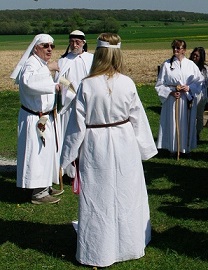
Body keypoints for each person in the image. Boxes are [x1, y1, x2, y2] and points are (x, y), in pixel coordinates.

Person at [60, 33, 158, 267]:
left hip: (97, 146)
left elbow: (76, 127)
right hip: (123, 144)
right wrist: (145, 148)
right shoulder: (127, 83)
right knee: (121, 194)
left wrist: (67, 156)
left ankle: (105, 247)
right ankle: (117, 246)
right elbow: (138, 120)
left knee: (101, 196)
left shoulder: (87, 84)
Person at [10, 33, 63, 204]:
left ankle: (44, 185)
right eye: (45, 46)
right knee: (37, 154)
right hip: (34, 118)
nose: (49, 49)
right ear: (36, 48)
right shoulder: (31, 64)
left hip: (45, 117)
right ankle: (38, 193)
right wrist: (49, 71)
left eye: (51, 46)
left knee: (47, 153)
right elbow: (28, 82)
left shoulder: (41, 63)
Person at [55, 30, 93, 178]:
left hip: (87, 105)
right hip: (68, 106)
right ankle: (68, 171)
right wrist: (68, 93)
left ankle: (84, 170)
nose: (74, 44)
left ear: (83, 42)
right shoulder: (63, 60)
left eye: (77, 42)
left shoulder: (91, 59)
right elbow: (59, 81)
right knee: (69, 137)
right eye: (72, 41)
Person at [155, 39, 202, 157]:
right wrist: (170, 92)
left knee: (186, 122)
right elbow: (160, 84)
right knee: (173, 122)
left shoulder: (191, 65)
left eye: (178, 48)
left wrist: (189, 87)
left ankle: (185, 148)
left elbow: (199, 82)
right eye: (174, 48)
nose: (175, 50)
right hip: (172, 100)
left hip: (186, 99)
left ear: (184, 50)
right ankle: (173, 148)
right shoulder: (166, 65)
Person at [189, 47, 208, 142]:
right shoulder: (188, 66)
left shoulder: (205, 69)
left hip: (200, 95)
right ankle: (189, 133)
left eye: (197, 56)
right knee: (190, 115)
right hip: (189, 93)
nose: (194, 57)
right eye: (193, 55)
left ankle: (197, 133)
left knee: (199, 116)